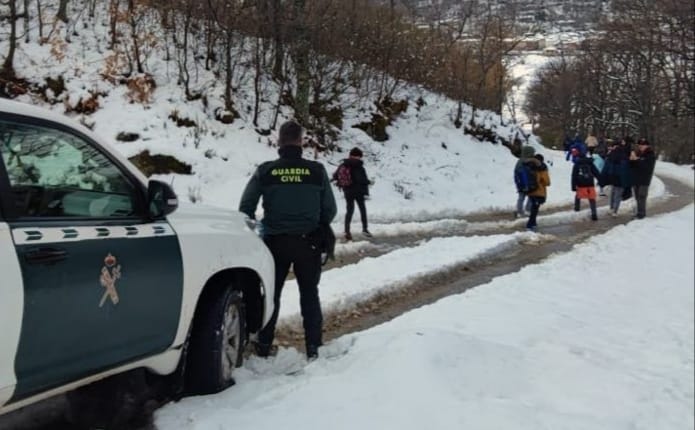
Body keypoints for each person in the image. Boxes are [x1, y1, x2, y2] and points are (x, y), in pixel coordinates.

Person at [239, 121, 337, 360]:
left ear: (279, 142)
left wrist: (259, 228)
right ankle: (313, 346)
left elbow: (245, 207)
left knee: (272, 295)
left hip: (275, 243)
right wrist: (317, 225)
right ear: (301, 141)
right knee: (309, 294)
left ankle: (263, 345)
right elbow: (330, 209)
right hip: (309, 242)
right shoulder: (317, 171)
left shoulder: (266, 170)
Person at [333, 147, 372, 241]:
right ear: (358, 156)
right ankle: (365, 229)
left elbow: (335, 175)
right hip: (358, 191)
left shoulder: (344, 164)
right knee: (362, 209)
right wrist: (368, 182)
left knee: (349, 210)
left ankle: (347, 231)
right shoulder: (359, 165)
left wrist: (342, 182)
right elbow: (361, 179)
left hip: (347, 190)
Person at [603, 138, 631, 217]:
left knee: (613, 193)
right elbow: (625, 167)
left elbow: (608, 163)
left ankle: (612, 209)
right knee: (617, 194)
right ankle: (615, 211)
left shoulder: (613, 154)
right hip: (620, 177)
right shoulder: (624, 154)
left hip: (614, 176)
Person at [629, 138, 656, 219]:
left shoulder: (650, 154)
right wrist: (632, 160)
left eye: (643, 145)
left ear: (647, 145)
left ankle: (641, 214)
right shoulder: (638, 153)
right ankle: (639, 212)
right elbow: (633, 166)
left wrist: (637, 160)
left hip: (644, 179)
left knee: (642, 196)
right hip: (636, 178)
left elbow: (646, 167)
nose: (641, 146)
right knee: (637, 197)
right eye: (639, 145)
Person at [572, 148, 601, 220]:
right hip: (590, 183)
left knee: (578, 196)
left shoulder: (577, 164)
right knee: (592, 199)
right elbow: (596, 172)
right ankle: (594, 214)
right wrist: (600, 180)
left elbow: (574, 176)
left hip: (580, 184)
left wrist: (573, 186)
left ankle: (577, 209)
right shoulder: (590, 162)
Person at [526, 153, 551, 232]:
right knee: (535, 209)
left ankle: (533, 223)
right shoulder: (542, 169)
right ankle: (530, 225)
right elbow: (547, 182)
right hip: (539, 191)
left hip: (530, 190)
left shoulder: (529, 167)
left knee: (534, 208)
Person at [513, 145, 535, 218]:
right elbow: (523, 175)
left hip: (524, 183)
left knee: (527, 197)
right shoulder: (522, 162)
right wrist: (525, 185)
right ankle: (522, 211)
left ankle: (525, 210)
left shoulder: (524, 161)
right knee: (524, 197)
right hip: (523, 183)